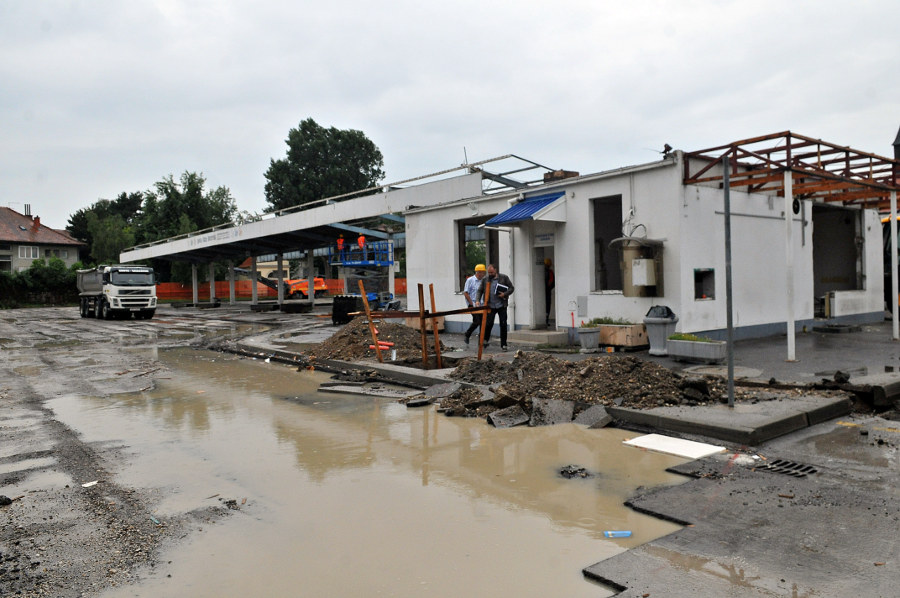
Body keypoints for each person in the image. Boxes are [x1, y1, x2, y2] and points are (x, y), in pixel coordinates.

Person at [476, 264, 514, 351]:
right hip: (490, 306)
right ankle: (486, 339)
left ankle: (504, 344)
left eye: (492, 272)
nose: (490, 274)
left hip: (501, 305)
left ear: (495, 270)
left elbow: (511, 288)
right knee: (489, 324)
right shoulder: (485, 279)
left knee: (503, 324)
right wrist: (477, 300)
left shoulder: (504, 278)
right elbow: (480, 290)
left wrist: (504, 294)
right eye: (489, 272)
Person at [463, 264, 486, 346]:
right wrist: (471, 304)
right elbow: (466, 293)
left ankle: (481, 341)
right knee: (477, 321)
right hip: (472, 304)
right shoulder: (470, 280)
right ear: (478, 272)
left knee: (483, 323)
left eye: (484, 273)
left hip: (481, 304)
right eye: (482, 273)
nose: (483, 275)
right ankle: (467, 334)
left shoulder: (483, 281)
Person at [544, 258, 555, 326]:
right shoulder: (550, 272)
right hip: (547, 292)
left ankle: (545, 320)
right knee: (547, 307)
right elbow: (552, 283)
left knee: (544, 307)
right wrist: (549, 288)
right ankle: (546, 321)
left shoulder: (539, 271)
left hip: (541, 292)